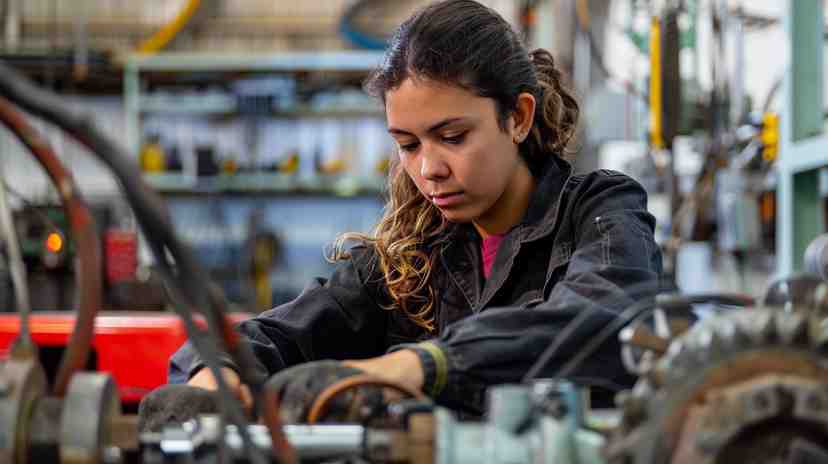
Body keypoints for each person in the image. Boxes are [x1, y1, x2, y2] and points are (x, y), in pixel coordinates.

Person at [169, 0, 662, 416]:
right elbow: (280, 333)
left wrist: (425, 364)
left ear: (518, 117)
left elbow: (604, 319)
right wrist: (218, 369)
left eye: (452, 137)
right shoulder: (408, 260)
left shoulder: (599, 210)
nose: (428, 168)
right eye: (407, 144)